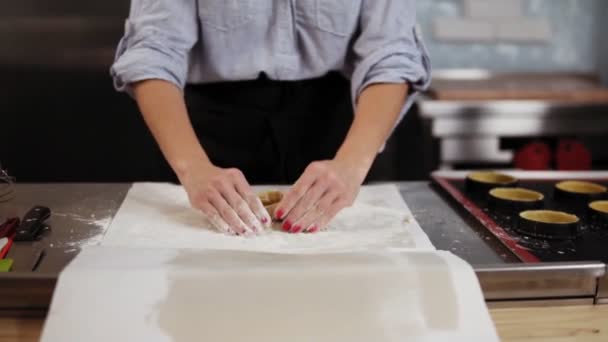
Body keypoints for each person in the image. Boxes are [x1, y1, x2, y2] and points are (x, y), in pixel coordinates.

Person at [111, 0, 431, 236]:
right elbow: (153, 52)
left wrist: (352, 164)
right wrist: (193, 168)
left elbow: (392, 54)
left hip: (345, 134)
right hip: (206, 137)